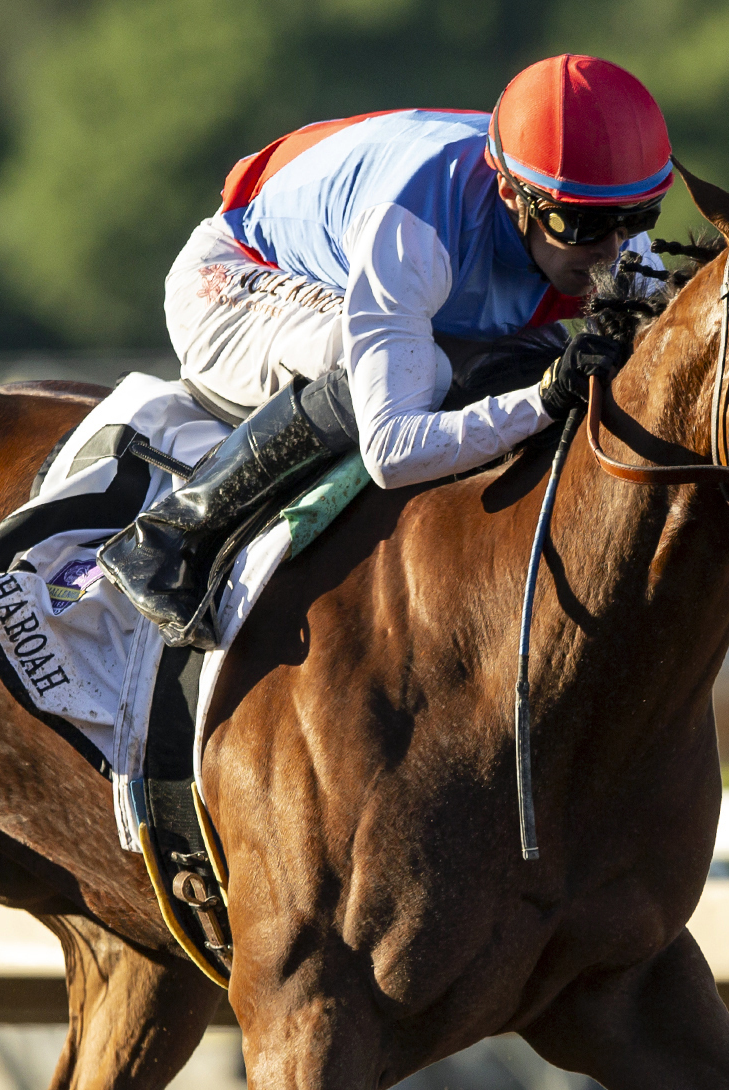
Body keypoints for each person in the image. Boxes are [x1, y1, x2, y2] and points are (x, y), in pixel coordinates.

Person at [98, 53, 674, 649]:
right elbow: (392, 449)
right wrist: (544, 398)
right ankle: (173, 537)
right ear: (511, 192)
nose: (611, 249)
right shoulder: (414, 223)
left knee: (559, 367)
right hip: (231, 279)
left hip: (411, 290)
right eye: (581, 226)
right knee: (436, 373)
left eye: (635, 219)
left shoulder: (604, 218)